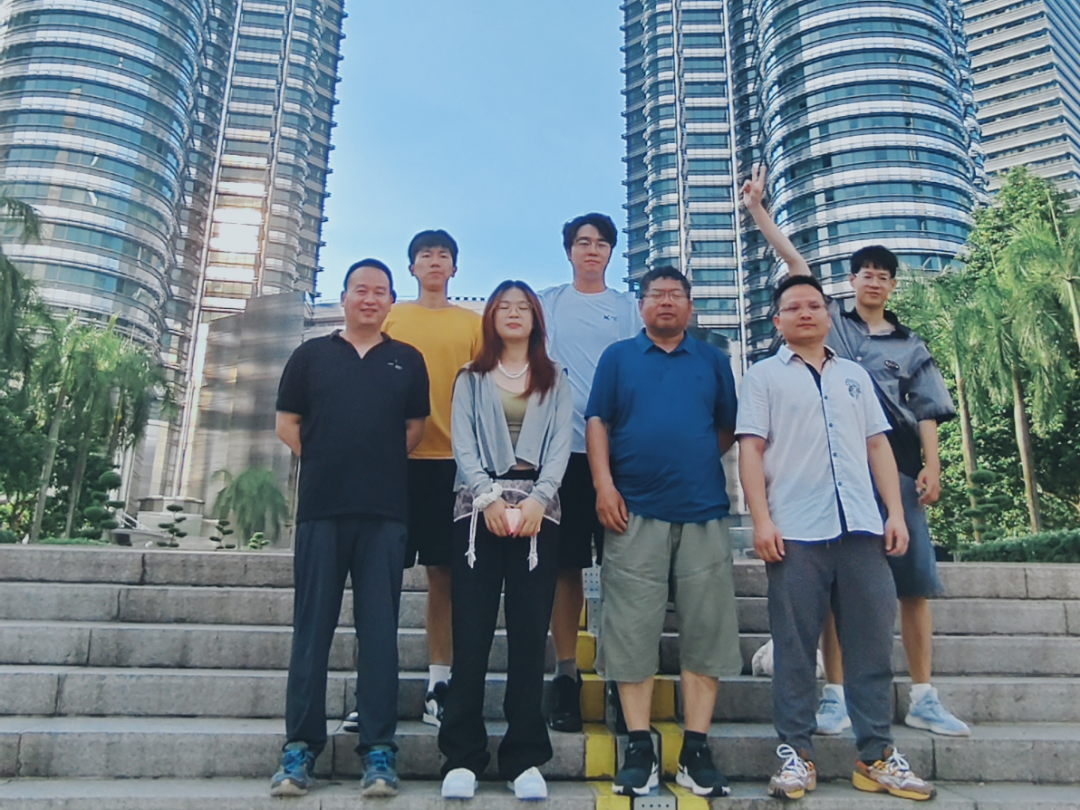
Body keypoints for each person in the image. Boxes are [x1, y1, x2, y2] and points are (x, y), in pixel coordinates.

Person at [742, 165, 969, 738]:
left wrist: (932, 465)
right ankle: (837, 695)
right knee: (833, 583)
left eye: (883, 276)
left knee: (913, 581)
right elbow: (796, 266)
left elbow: (925, 408)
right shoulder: (831, 325)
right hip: (828, 470)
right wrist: (758, 211)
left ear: (892, 286)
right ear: (850, 282)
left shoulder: (909, 343)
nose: (873, 282)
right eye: (865, 273)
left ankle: (923, 693)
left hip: (894, 464)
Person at [737, 274, 935, 802]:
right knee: (796, 649)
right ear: (777, 321)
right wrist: (761, 520)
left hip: (862, 528)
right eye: (793, 307)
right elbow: (751, 450)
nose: (805, 313)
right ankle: (796, 755)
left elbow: (877, 447)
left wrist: (895, 513)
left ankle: (876, 755)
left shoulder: (854, 375)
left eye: (814, 305)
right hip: (795, 532)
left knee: (871, 645)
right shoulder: (762, 377)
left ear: (828, 316)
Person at [271, 260, 430, 798]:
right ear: (344, 297)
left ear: (390, 302)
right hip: (322, 509)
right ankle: (299, 748)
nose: (370, 299)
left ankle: (379, 749)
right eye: (361, 289)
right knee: (311, 629)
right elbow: (286, 423)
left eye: (380, 292)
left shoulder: (407, 360)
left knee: (380, 633)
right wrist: (328, 462)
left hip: (385, 513)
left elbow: (414, 429)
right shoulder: (310, 355)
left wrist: (372, 465)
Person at [586, 266, 742, 798]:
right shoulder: (618, 358)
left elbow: (726, 426)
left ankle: (696, 748)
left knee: (707, 630)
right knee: (631, 630)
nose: (666, 302)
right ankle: (638, 746)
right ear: (642, 306)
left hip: (703, 512)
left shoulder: (713, 360)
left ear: (690, 307)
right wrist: (604, 486)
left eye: (676, 294)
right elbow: (598, 422)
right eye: (656, 295)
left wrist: (690, 461)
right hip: (633, 513)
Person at [438, 281, 573, 801]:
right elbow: (463, 443)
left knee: (529, 633)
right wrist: (489, 498)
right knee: (471, 632)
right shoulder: (470, 378)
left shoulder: (555, 378)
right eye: (504, 307)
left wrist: (538, 499)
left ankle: (524, 756)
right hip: (478, 513)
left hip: (540, 513)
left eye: (523, 307)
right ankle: (462, 755)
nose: (514, 314)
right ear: (491, 317)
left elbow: (560, 446)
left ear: (536, 318)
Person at [538, 213, 641, 732]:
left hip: (622, 455)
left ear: (611, 252)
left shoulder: (629, 308)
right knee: (566, 567)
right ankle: (565, 677)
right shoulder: (546, 303)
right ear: (569, 250)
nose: (592, 250)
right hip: (562, 455)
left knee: (622, 567)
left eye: (601, 243)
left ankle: (623, 677)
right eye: (582, 242)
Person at [375, 229, 482, 729]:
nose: (434, 262)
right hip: (395, 460)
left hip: (454, 465)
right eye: (425, 255)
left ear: (454, 268)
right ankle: (375, 686)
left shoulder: (473, 324)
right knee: (381, 577)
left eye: (443, 255)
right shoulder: (392, 318)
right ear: (412, 267)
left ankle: (440, 683)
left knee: (445, 575)